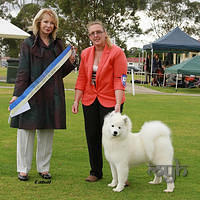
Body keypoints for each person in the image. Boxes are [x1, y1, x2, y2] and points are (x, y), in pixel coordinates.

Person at [9, 8, 76, 181]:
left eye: (52, 23)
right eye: (46, 21)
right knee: (25, 132)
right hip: (31, 94)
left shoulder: (59, 45)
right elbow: (23, 71)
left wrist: (71, 61)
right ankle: (23, 169)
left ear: (55, 26)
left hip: (52, 95)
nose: (49, 25)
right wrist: (17, 95)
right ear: (39, 22)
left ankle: (44, 169)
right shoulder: (28, 43)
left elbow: (61, 72)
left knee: (47, 133)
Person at [72, 20, 127, 182]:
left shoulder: (117, 53)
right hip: (90, 99)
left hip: (111, 100)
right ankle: (95, 172)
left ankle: (121, 174)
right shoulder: (86, 53)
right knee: (92, 136)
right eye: (92, 33)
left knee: (114, 138)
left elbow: (120, 79)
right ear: (89, 36)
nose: (95, 35)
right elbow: (82, 77)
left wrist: (118, 103)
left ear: (105, 33)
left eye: (98, 32)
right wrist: (76, 100)